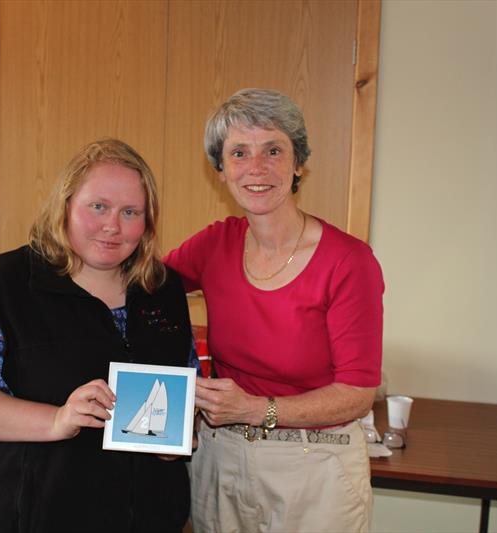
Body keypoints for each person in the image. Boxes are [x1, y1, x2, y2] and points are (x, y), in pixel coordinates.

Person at [0, 139, 193, 533]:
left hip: (149, 515)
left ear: (148, 220)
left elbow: (184, 384)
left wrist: (181, 436)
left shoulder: (164, 288)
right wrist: (56, 419)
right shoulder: (0, 285)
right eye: (98, 206)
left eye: (130, 212)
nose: (112, 225)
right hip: (34, 515)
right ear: (66, 205)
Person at [165, 88, 384, 533]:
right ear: (221, 170)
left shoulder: (348, 262)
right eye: (239, 153)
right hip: (221, 459)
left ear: (297, 162)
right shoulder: (214, 244)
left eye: (273, 150)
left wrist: (254, 409)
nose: (256, 168)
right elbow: (142, 291)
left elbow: (357, 394)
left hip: (315, 467)